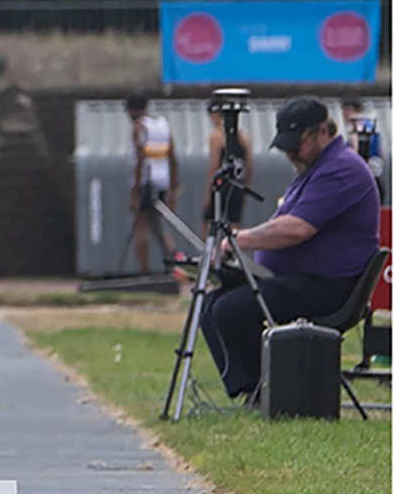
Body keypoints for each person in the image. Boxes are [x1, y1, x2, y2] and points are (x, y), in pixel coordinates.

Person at [200, 97, 380, 400]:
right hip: (301, 279)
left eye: (295, 145)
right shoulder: (314, 169)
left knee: (230, 310)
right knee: (211, 305)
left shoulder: (341, 169)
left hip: (328, 286)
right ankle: (256, 390)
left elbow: (297, 228)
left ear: (322, 131)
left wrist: (238, 240)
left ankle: (269, 391)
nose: (288, 152)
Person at [126, 95, 178, 274]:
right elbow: (173, 158)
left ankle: (144, 269)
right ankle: (171, 261)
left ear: (132, 110)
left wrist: (134, 193)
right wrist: (173, 189)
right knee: (157, 226)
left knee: (140, 226)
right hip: (163, 181)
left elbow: (140, 161)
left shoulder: (138, 127)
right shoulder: (163, 124)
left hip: (146, 182)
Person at [202, 106, 253, 235]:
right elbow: (249, 166)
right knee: (234, 230)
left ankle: (213, 253)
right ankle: (231, 254)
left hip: (220, 187)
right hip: (237, 185)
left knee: (208, 228)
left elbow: (214, 167)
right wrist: (245, 187)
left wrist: (208, 194)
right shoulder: (243, 137)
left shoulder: (216, 137)